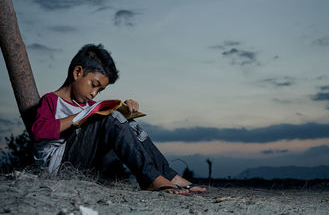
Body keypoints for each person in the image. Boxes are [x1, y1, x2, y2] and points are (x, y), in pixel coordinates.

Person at [31, 44, 206, 195]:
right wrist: (84, 115)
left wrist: (124, 110)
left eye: (100, 91)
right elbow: (38, 131)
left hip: (86, 164)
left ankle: (170, 175)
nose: (94, 93)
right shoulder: (51, 100)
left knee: (126, 121)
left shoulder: (88, 104)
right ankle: (150, 179)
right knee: (110, 118)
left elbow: (107, 126)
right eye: (94, 85)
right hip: (59, 166)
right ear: (78, 72)